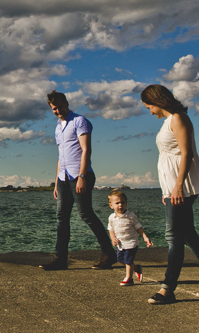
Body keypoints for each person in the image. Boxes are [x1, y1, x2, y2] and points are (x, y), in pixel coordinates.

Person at [140, 84, 199, 305]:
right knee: (188, 235)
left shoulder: (178, 118)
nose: (149, 111)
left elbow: (187, 153)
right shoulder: (167, 122)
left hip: (181, 187)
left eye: (148, 106)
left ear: (157, 102)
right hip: (173, 188)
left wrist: (178, 186)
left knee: (174, 237)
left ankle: (167, 288)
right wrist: (167, 189)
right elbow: (168, 158)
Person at [40, 90, 117, 271]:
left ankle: (109, 254)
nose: (57, 110)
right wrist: (56, 182)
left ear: (66, 103)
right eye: (53, 109)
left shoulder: (80, 121)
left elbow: (86, 150)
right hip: (63, 178)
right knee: (61, 217)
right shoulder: (58, 128)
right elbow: (61, 156)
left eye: (59, 106)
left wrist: (82, 177)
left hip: (80, 175)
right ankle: (61, 259)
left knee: (86, 214)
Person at [107, 189, 152, 286]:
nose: (120, 205)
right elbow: (111, 229)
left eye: (122, 202)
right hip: (121, 244)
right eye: (117, 203)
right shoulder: (111, 217)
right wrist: (113, 238)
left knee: (128, 261)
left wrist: (145, 237)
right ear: (111, 206)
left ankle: (129, 278)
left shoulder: (131, 216)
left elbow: (139, 228)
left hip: (131, 242)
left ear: (126, 203)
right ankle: (136, 268)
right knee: (120, 260)